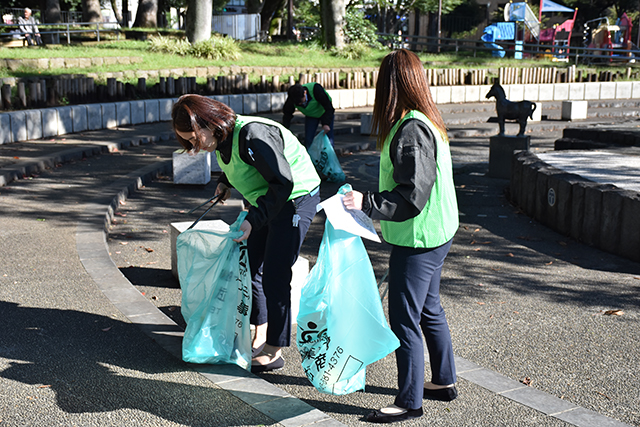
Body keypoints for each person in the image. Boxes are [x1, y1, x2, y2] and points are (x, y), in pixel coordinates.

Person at [342, 49, 459, 423]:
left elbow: (412, 194)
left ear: (389, 86)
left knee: (405, 320)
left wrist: (367, 203)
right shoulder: (426, 119)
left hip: (418, 239)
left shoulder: (410, 129)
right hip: (438, 233)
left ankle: (410, 400)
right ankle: (443, 380)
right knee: (429, 309)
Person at [172, 94, 321, 374]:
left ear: (210, 123)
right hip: (267, 200)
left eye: (194, 139)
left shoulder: (253, 135)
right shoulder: (221, 139)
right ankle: (260, 330)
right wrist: (224, 181)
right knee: (251, 268)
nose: (195, 148)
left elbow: (283, 182)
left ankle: (274, 350)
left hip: (294, 198)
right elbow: (240, 165)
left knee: (277, 274)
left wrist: (254, 218)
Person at [282, 82, 335, 148]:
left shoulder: (316, 89)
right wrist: (284, 129)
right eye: (297, 103)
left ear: (305, 93)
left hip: (325, 112)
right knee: (308, 139)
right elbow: (287, 114)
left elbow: (329, 108)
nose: (300, 104)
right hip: (311, 115)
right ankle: (309, 156)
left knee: (328, 139)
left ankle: (330, 156)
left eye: (301, 101)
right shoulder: (292, 98)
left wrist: (326, 123)